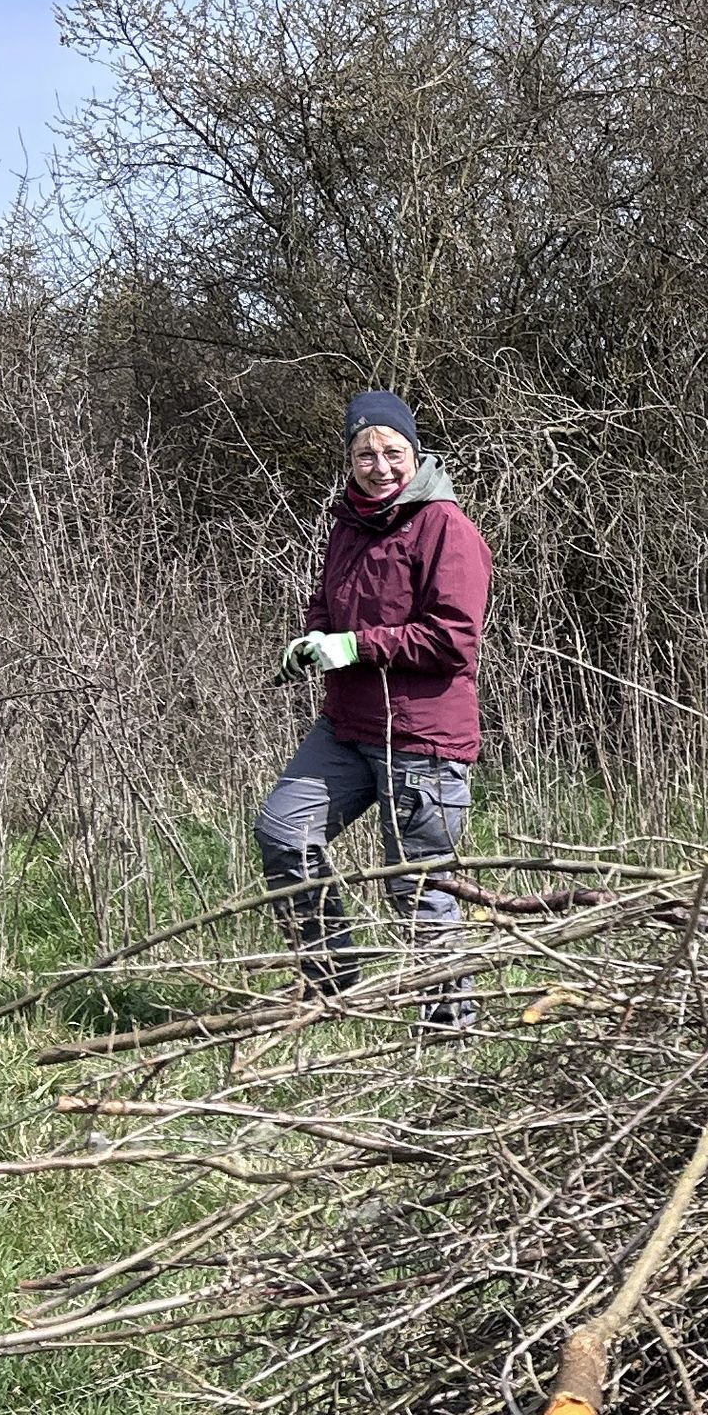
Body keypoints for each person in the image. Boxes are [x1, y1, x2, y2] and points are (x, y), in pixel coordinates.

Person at [256, 389, 493, 1017]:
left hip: (421, 736)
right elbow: (327, 605)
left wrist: (355, 647)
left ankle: (450, 1028)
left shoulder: (446, 528)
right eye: (365, 453)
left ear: (415, 454)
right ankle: (335, 988)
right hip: (346, 725)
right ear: (350, 459)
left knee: (416, 886)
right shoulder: (348, 524)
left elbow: (453, 639)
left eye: (392, 451)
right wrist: (312, 641)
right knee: (283, 832)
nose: (379, 465)